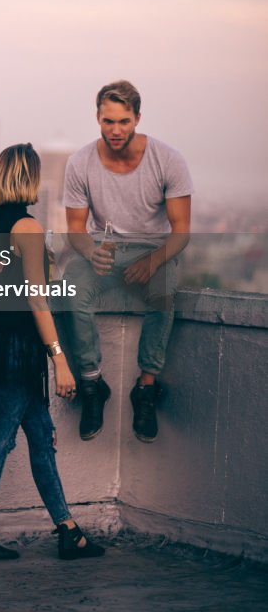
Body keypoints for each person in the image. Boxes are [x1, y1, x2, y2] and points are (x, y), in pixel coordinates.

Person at [0, 144, 105, 562]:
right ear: (30, 178)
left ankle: (68, 532)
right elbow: (37, 301)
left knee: (40, 438)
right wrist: (59, 360)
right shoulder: (25, 227)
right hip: (21, 349)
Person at [63, 80, 192, 443]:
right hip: (103, 249)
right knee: (73, 288)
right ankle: (92, 383)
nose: (115, 130)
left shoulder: (167, 160)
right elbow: (75, 228)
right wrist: (90, 252)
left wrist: (152, 262)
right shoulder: (80, 162)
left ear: (137, 117)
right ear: (98, 118)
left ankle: (146, 387)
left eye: (123, 121)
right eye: (107, 121)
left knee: (164, 291)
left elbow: (181, 231)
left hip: (154, 250)